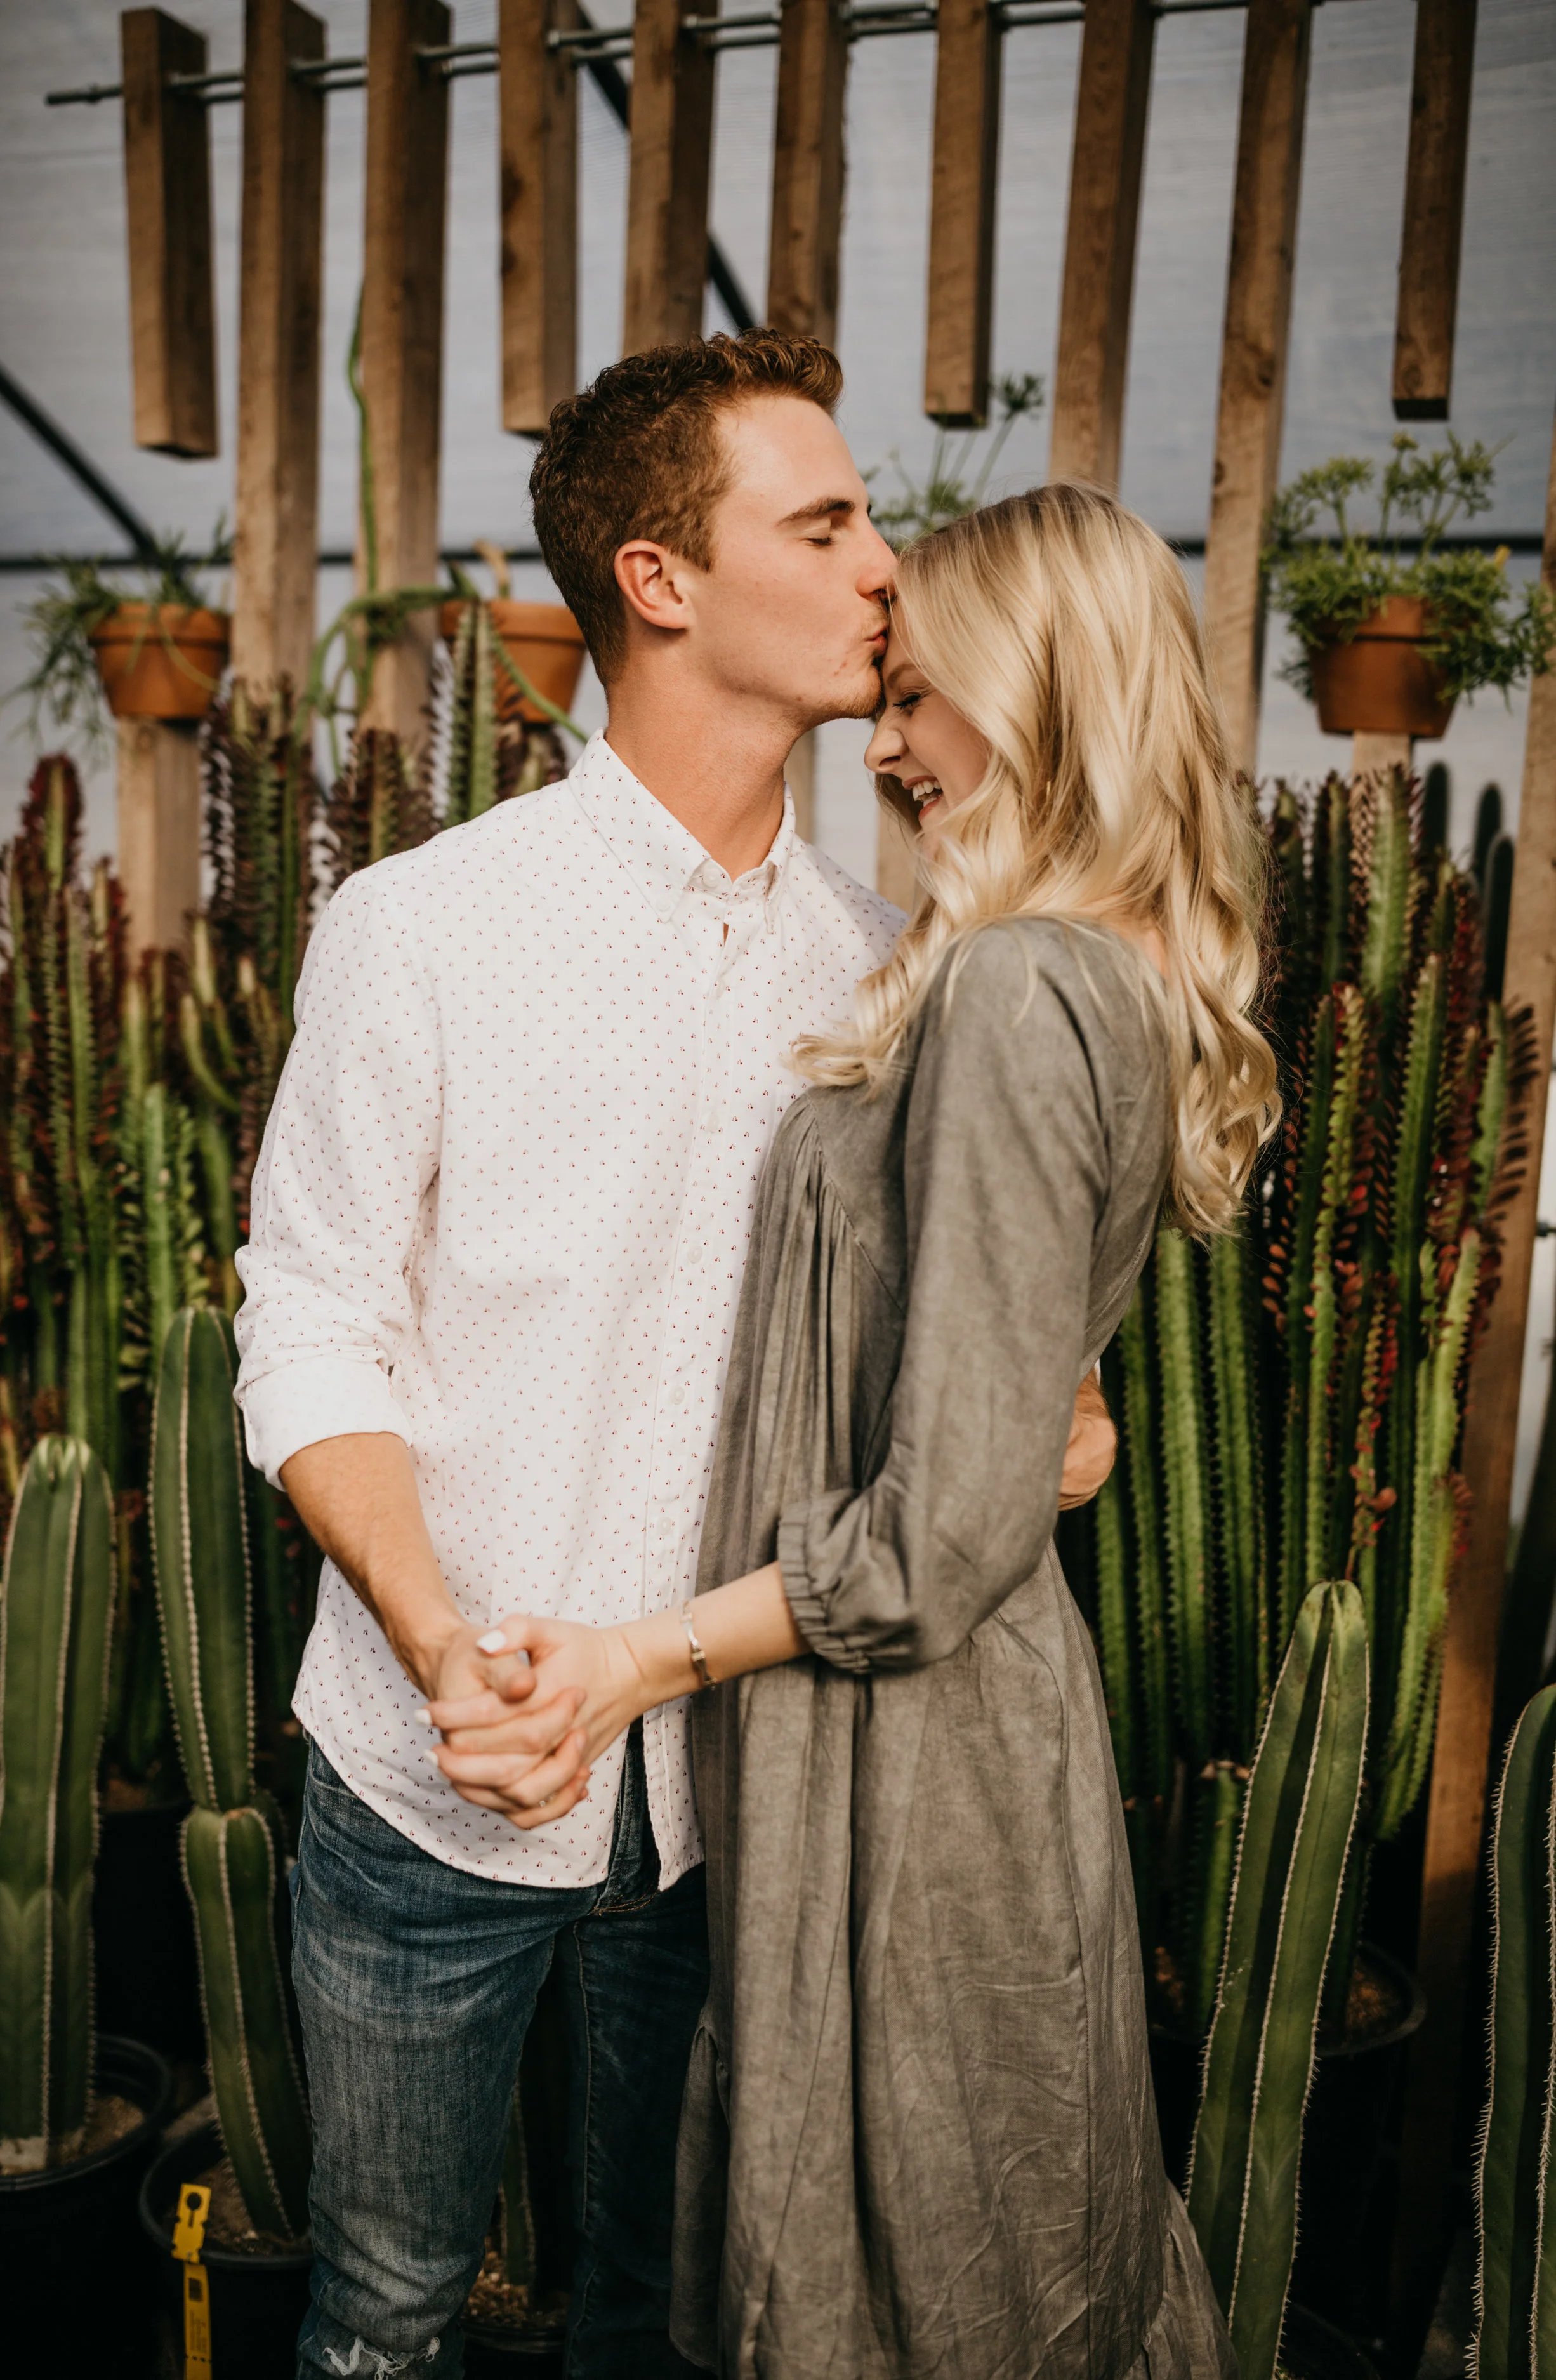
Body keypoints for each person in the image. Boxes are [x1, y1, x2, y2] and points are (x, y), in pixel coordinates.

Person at [233, 332, 1113, 2380]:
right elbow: (314, 1312)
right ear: (660, 581)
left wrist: (1037, 1425)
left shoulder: (884, 973)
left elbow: (953, 1363)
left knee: (668, 2319)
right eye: (824, 522)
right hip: (424, 1776)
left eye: (873, 517)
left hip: (739, 1802)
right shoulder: (424, 926)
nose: (885, 564)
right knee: (377, 2320)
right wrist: (444, 1639)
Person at [428, 483, 1280, 2378]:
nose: (886, 751)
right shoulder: (1093, 973)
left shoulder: (1010, 983)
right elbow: (996, 1406)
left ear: (1040, 693)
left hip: (915, 1752)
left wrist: (630, 1657)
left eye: (919, 699)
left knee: (896, 2276)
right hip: (942, 1732)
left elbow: (932, 1539)